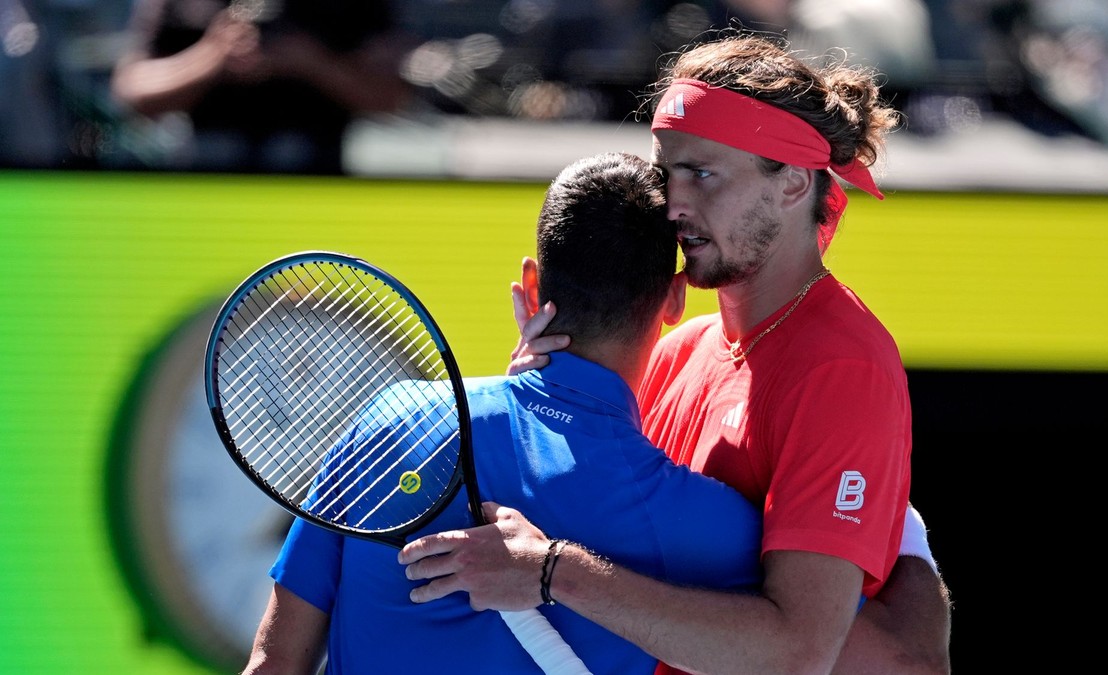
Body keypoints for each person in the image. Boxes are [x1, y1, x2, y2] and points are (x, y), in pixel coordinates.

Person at [400, 30, 952, 675]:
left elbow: (797, 655)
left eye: (703, 173)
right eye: (667, 172)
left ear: (795, 184)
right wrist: (538, 395)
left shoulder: (842, 369)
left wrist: (554, 572)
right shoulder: (678, 348)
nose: (672, 205)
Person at [241, 151, 765, 674]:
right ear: (674, 300)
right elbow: (806, 646)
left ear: (532, 287)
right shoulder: (712, 526)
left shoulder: (390, 419)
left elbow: (273, 663)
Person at [109, 0, 409, 174]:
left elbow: (393, 98)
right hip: (205, 198)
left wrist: (313, 62)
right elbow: (131, 93)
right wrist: (211, 57)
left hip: (315, 197)